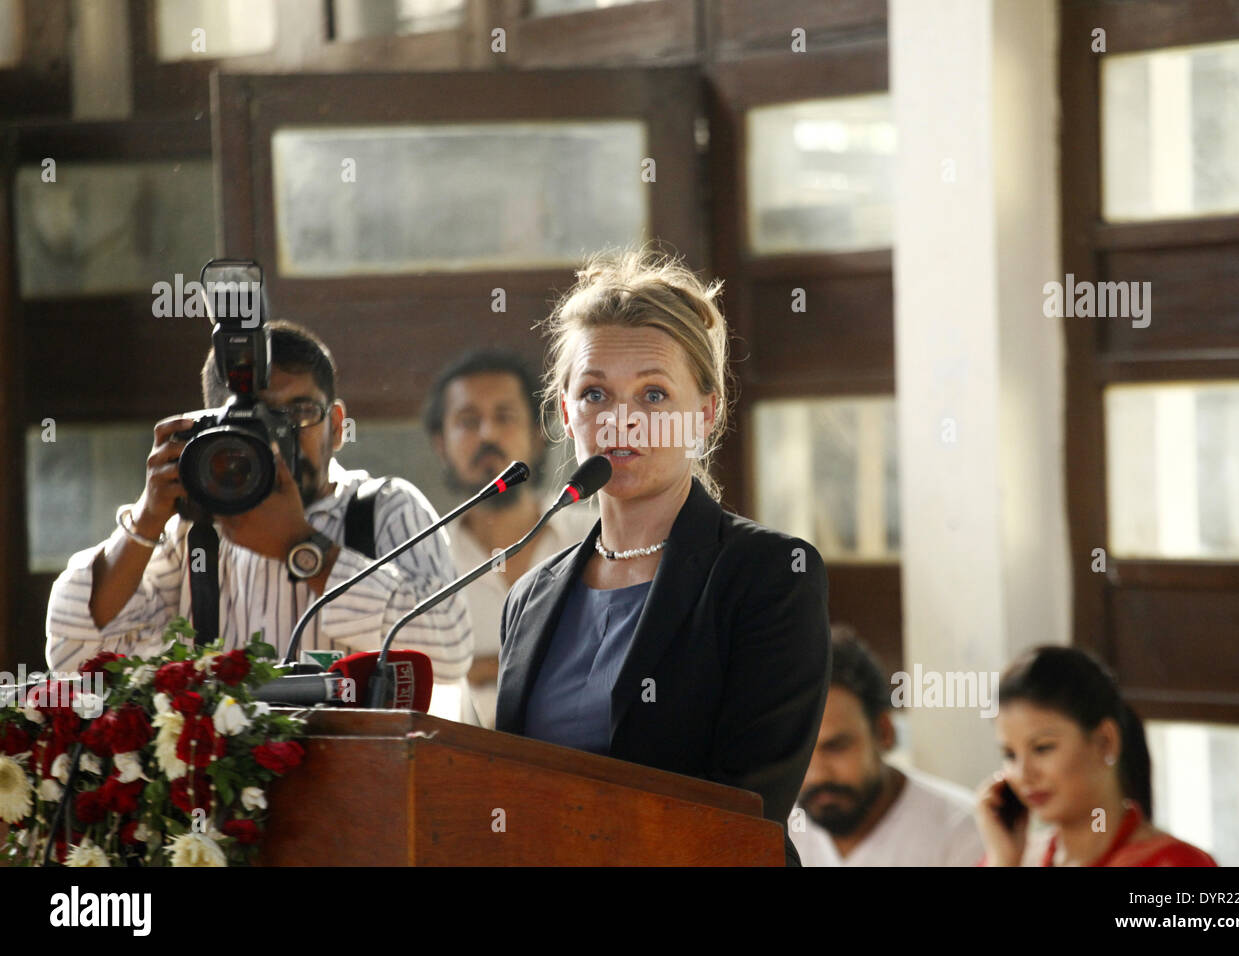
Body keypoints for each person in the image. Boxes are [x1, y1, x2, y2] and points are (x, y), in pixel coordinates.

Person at [494, 246, 832, 866]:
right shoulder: (530, 597)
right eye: (595, 394)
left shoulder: (770, 575)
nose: (621, 420)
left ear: (704, 413)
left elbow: (742, 810)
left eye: (653, 396)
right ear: (567, 413)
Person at [45, 320, 473, 683]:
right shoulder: (190, 533)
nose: (276, 437)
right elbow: (74, 656)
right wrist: (146, 519)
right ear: (210, 428)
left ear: (338, 426)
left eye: (299, 413)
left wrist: (302, 548)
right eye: (255, 421)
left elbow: (450, 652)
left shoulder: (382, 509)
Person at [423, 349, 590, 727]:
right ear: (441, 444)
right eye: (468, 421)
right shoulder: (420, 557)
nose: (488, 434)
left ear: (537, 435)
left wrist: (482, 668)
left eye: (505, 417)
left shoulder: (596, 537)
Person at [974, 645, 1217, 867]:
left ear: (1105, 742)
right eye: (1010, 755)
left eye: (1042, 748)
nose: (1023, 774)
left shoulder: (1176, 863)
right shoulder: (1011, 858)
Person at [790, 626, 984, 866]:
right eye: (800, 755)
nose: (817, 774)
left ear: (883, 732)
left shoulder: (965, 831)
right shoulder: (775, 829)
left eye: (837, 746)